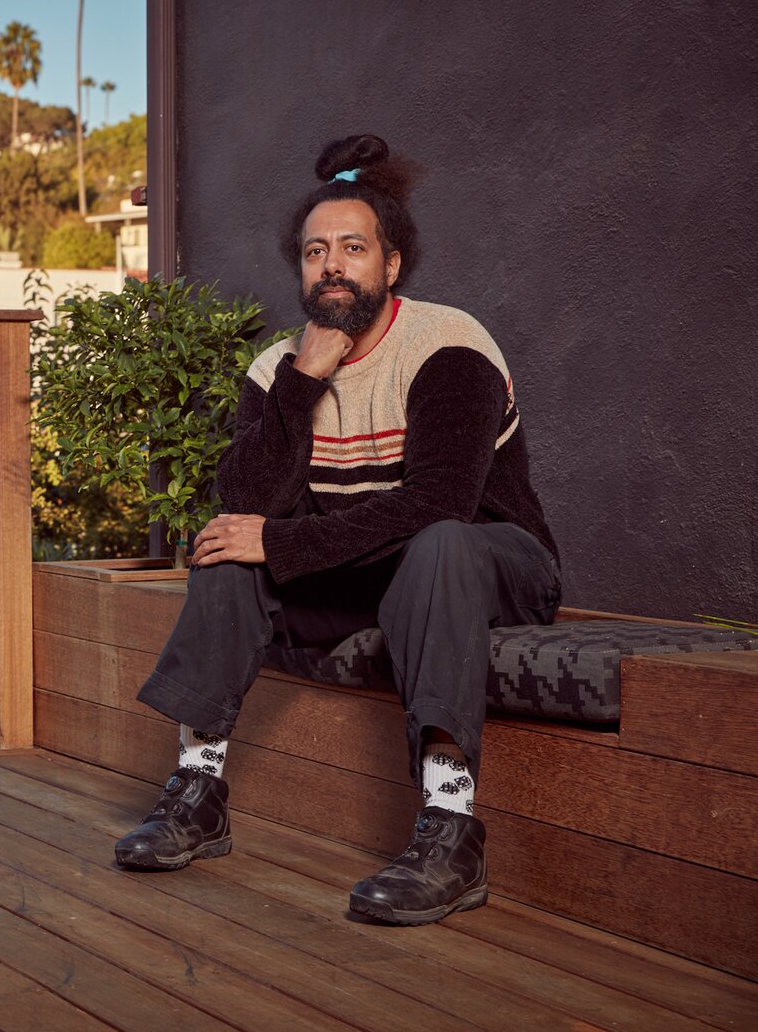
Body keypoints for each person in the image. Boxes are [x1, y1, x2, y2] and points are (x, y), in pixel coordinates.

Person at [113, 134, 561, 925]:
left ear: (390, 265)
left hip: (486, 564)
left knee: (440, 544)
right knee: (226, 548)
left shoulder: (450, 348)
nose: (332, 265)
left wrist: (280, 543)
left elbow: (441, 503)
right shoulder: (277, 368)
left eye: (354, 248)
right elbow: (247, 497)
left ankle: (452, 828)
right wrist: (304, 380)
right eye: (316, 250)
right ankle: (198, 788)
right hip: (368, 575)